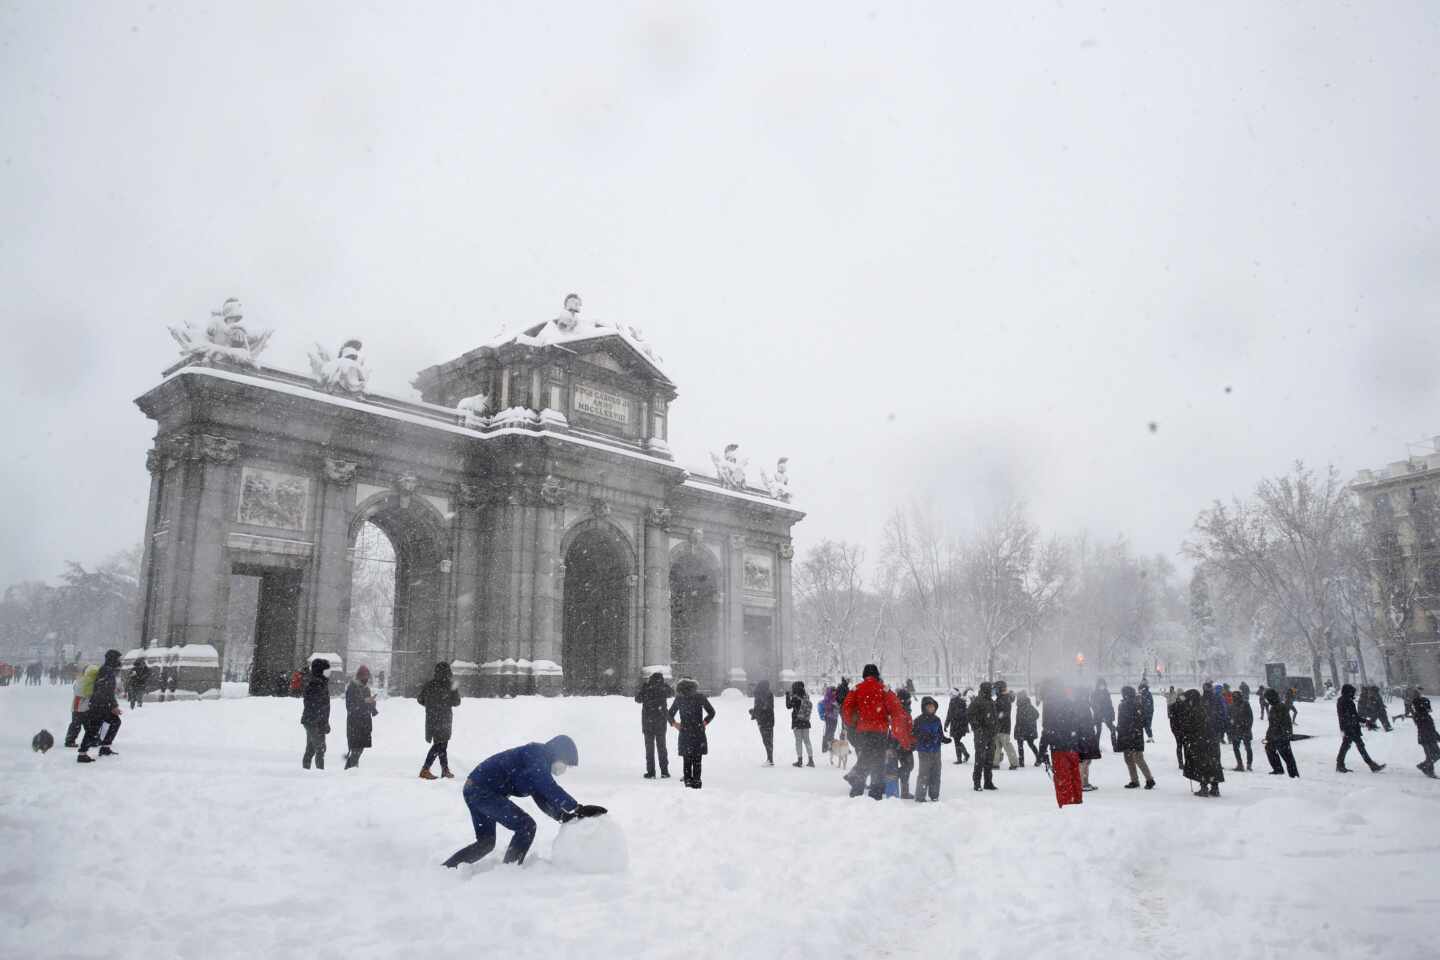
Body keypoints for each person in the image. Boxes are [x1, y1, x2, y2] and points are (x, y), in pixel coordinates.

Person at [441, 735, 607, 868]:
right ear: (558, 754)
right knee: (526, 826)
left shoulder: (537, 763)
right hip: (482, 792)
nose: (564, 769)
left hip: (475, 790)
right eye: (566, 764)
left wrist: (562, 816)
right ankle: (510, 870)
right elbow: (547, 786)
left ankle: (447, 868)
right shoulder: (537, 755)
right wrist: (577, 807)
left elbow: (542, 796)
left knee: (486, 842)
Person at [840, 664, 914, 799]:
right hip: (879, 731)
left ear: (864, 675)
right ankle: (875, 791)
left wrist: (852, 723)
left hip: (862, 731)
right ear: (877, 675)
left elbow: (846, 708)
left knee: (866, 757)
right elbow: (896, 708)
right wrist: (898, 729)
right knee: (878, 760)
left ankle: (857, 787)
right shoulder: (883, 689)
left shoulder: (857, 688)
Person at [77, 650, 123, 763]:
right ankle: (82, 754)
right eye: (118, 659)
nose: (119, 661)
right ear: (113, 659)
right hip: (99, 705)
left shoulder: (107, 670)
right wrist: (113, 706)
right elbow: (105, 690)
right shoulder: (107, 671)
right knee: (93, 729)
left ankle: (105, 747)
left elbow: (107, 690)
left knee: (114, 722)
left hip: (101, 704)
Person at [669, 677, 716, 788]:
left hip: (685, 731)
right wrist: (704, 722)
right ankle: (697, 781)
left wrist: (675, 724)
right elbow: (712, 712)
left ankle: (688, 782)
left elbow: (669, 714)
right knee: (697, 759)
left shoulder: (679, 698)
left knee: (687, 759)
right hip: (698, 731)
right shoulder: (700, 697)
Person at [418, 661, 461, 780]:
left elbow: (420, 700)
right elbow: (457, 702)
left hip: (432, 718)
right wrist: (449, 696)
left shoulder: (429, 685)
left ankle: (445, 769)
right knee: (439, 745)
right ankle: (425, 769)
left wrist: (431, 705)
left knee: (441, 745)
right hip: (444, 718)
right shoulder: (450, 685)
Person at [1180, 688, 1224, 796]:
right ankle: (1215, 786)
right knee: (1213, 763)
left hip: (1200, 741)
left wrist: (1188, 735)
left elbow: (1191, 726)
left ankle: (1204, 786)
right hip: (1211, 740)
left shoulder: (1195, 710)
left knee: (1202, 763)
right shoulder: (1205, 707)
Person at [1336, 683, 1386, 773]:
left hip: (1350, 727)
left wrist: (1366, 722)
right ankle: (1371, 765)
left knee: (1349, 746)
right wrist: (1365, 722)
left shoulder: (1345, 700)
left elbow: (1353, 716)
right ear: (1348, 692)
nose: (1354, 694)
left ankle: (1340, 764)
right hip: (1350, 728)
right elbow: (1351, 716)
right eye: (1352, 692)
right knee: (1355, 746)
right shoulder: (1345, 701)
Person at [634, 671, 674, 779]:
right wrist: (664, 686)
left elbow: (637, 699)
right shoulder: (664, 689)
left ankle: (651, 772)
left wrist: (644, 687)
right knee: (662, 747)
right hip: (661, 722)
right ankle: (664, 772)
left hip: (648, 722)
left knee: (649, 749)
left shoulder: (647, 688)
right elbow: (672, 693)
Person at [1116, 685, 1156, 789]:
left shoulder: (1135, 704)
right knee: (1130, 758)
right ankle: (1135, 780)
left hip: (1131, 734)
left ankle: (1149, 779)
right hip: (1130, 734)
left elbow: (1140, 719)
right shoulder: (1132, 704)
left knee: (1137, 758)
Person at [911, 696, 949, 802]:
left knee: (936, 773)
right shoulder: (918, 720)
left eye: (933, 706)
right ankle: (920, 796)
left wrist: (944, 739)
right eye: (929, 706)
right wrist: (924, 737)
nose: (931, 708)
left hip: (936, 751)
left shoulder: (937, 719)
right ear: (924, 707)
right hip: (924, 751)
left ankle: (934, 795)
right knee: (924, 774)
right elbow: (914, 734)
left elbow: (940, 733)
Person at [344, 665, 378, 769]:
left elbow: (366, 706)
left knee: (360, 749)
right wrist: (364, 701)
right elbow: (350, 707)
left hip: (365, 724)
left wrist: (372, 704)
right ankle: (350, 771)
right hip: (354, 723)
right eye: (364, 677)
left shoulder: (366, 689)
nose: (366, 679)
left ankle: (351, 769)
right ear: (359, 676)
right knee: (356, 750)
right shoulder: (352, 687)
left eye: (367, 677)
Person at [300, 658, 331, 770]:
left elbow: (323, 707)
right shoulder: (314, 684)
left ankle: (306, 771)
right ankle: (319, 774)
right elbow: (313, 706)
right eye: (327, 670)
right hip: (312, 721)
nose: (329, 672)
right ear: (320, 671)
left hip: (317, 721)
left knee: (311, 748)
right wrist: (320, 722)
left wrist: (325, 723)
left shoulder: (321, 683)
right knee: (320, 748)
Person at [1262, 688, 1300, 777]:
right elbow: (1272, 724)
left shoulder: (1280, 707)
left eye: (1267, 698)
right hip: (1274, 735)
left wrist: (1286, 734)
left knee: (1287, 756)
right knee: (1269, 749)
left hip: (1281, 736)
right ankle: (1278, 769)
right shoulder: (1274, 707)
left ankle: (1294, 775)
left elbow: (1286, 723)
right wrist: (1268, 736)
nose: (1267, 700)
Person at [969, 682, 998, 792]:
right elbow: (970, 714)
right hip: (981, 735)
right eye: (991, 689)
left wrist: (996, 727)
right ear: (986, 689)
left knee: (989, 759)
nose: (993, 691)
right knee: (980, 759)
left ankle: (988, 782)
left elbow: (994, 717)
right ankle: (977, 783)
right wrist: (977, 728)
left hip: (991, 734)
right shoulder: (978, 701)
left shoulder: (990, 701)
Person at [65, 664, 97, 748]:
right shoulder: (85, 681)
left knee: (83, 724)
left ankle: (90, 740)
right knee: (79, 724)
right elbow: (80, 692)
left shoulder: (83, 680)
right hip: (80, 705)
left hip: (82, 705)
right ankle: (70, 741)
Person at [1075, 688, 1101, 791]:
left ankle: (1085, 782)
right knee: (1083, 761)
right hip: (1084, 736)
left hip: (1086, 735)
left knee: (1087, 761)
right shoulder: (1082, 706)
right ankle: (1081, 784)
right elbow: (1083, 722)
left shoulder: (1084, 705)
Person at [785, 680, 815, 768]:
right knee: (807, 741)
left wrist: (787, 696)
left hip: (797, 722)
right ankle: (811, 760)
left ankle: (800, 760)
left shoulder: (795, 698)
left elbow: (788, 706)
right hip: (806, 722)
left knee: (798, 742)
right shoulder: (806, 697)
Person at [992, 681, 1019, 771]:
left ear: (1000, 689)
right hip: (998, 726)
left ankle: (1014, 763)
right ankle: (995, 763)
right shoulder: (1001, 698)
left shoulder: (1004, 699)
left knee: (1006, 745)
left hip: (1004, 726)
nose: (995, 691)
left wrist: (997, 716)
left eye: (996, 689)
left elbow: (1003, 713)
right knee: (997, 746)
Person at [893, 686, 915, 796]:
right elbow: (901, 731)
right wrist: (907, 745)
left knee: (908, 766)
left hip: (901, 743)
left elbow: (908, 728)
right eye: (908, 699)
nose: (910, 701)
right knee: (908, 765)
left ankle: (904, 791)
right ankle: (896, 777)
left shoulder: (903, 710)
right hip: (901, 744)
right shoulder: (901, 712)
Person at [1411, 690, 1438, 778]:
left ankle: (1424, 766)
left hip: (1430, 737)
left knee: (1436, 754)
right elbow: (1425, 728)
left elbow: (1431, 728)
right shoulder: (1421, 716)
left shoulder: (1424, 715)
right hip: (1426, 738)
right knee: (1431, 755)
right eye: (1428, 706)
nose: (1429, 708)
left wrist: (1437, 736)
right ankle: (1428, 769)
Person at [749, 679, 776, 766]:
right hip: (768, 720)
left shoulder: (761, 694)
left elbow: (763, 708)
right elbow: (767, 707)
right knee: (768, 740)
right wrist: (754, 712)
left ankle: (770, 760)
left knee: (767, 740)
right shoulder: (768, 694)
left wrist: (754, 712)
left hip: (764, 721)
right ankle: (770, 759)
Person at [1229, 683, 1255, 772]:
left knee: (1247, 747)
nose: (1234, 698)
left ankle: (1248, 764)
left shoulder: (1245, 704)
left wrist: (1246, 726)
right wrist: (1231, 726)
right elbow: (1230, 718)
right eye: (1234, 697)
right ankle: (1240, 764)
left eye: (1235, 697)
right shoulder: (1232, 706)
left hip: (1244, 730)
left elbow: (1250, 717)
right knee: (1237, 748)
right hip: (1236, 730)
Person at [1013, 690, 1041, 767]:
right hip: (1028, 729)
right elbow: (1036, 715)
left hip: (1022, 729)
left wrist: (1027, 720)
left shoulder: (1022, 706)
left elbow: (1036, 715)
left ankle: (1022, 762)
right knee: (1030, 744)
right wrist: (1029, 721)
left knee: (1021, 745)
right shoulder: (1027, 705)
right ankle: (1038, 758)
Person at [944, 687, 971, 764]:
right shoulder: (956, 701)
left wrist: (947, 723)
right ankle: (965, 755)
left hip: (958, 725)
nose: (950, 695)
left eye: (951, 694)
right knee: (957, 741)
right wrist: (947, 723)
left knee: (957, 741)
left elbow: (953, 714)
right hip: (958, 725)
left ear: (954, 694)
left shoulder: (959, 701)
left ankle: (962, 757)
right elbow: (950, 713)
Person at [1091, 678, 1116, 745]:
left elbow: (1110, 704)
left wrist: (1112, 715)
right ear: (1098, 685)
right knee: (1099, 731)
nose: (1102, 686)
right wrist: (1100, 714)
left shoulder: (1106, 693)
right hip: (1098, 715)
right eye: (1101, 685)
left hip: (1107, 714)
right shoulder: (1094, 693)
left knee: (1113, 729)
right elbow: (1093, 705)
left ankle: (1115, 746)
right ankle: (1096, 746)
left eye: (1103, 685)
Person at [1166, 686, 1185, 770]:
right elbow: (1172, 719)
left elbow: (1171, 719)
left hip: (1179, 729)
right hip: (1180, 729)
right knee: (1182, 746)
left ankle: (1182, 763)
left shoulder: (1173, 706)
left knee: (1180, 746)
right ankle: (1181, 763)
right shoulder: (1175, 706)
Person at [819, 685, 838, 753]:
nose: (834, 693)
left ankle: (831, 746)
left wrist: (836, 706)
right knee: (828, 732)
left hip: (835, 718)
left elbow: (837, 706)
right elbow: (824, 706)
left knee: (832, 731)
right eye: (833, 691)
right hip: (829, 717)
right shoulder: (827, 698)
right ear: (830, 692)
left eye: (835, 692)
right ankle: (825, 747)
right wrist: (831, 706)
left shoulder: (835, 698)